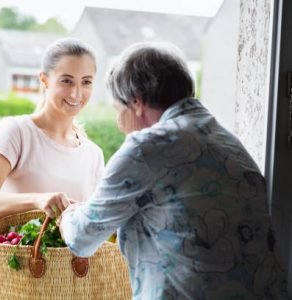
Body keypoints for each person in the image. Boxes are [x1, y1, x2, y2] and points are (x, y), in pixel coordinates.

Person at [59, 42, 289, 299]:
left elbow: (82, 237)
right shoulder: (226, 140)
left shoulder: (144, 149)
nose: (118, 124)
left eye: (117, 110)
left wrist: (68, 214)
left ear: (136, 102)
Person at [0, 37, 104, 220]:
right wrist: (36, 200)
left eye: (86, 82)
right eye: (66, 81)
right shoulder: (17, 132)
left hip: (68, 251)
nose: (76, 93)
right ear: (44, 80)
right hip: (16, 249)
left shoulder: (94, 155)